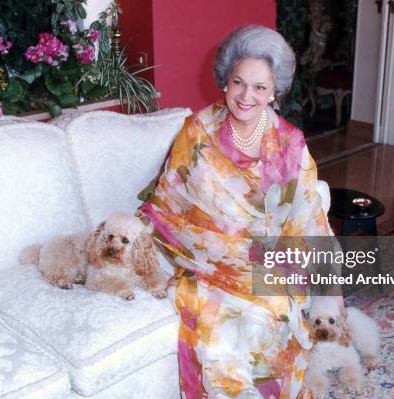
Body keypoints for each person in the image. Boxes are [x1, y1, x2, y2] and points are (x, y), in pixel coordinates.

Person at [140, 25, 337, 399]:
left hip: (269, 259)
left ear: (275, 92)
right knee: (223, 323)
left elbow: (308, 213)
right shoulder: (197, 131)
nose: (247, 96)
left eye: (260, 88)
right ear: (225, 81)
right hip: (205, 257)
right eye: (238, 83)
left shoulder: (289, 143)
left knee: (278, 308)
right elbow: (168, 201)